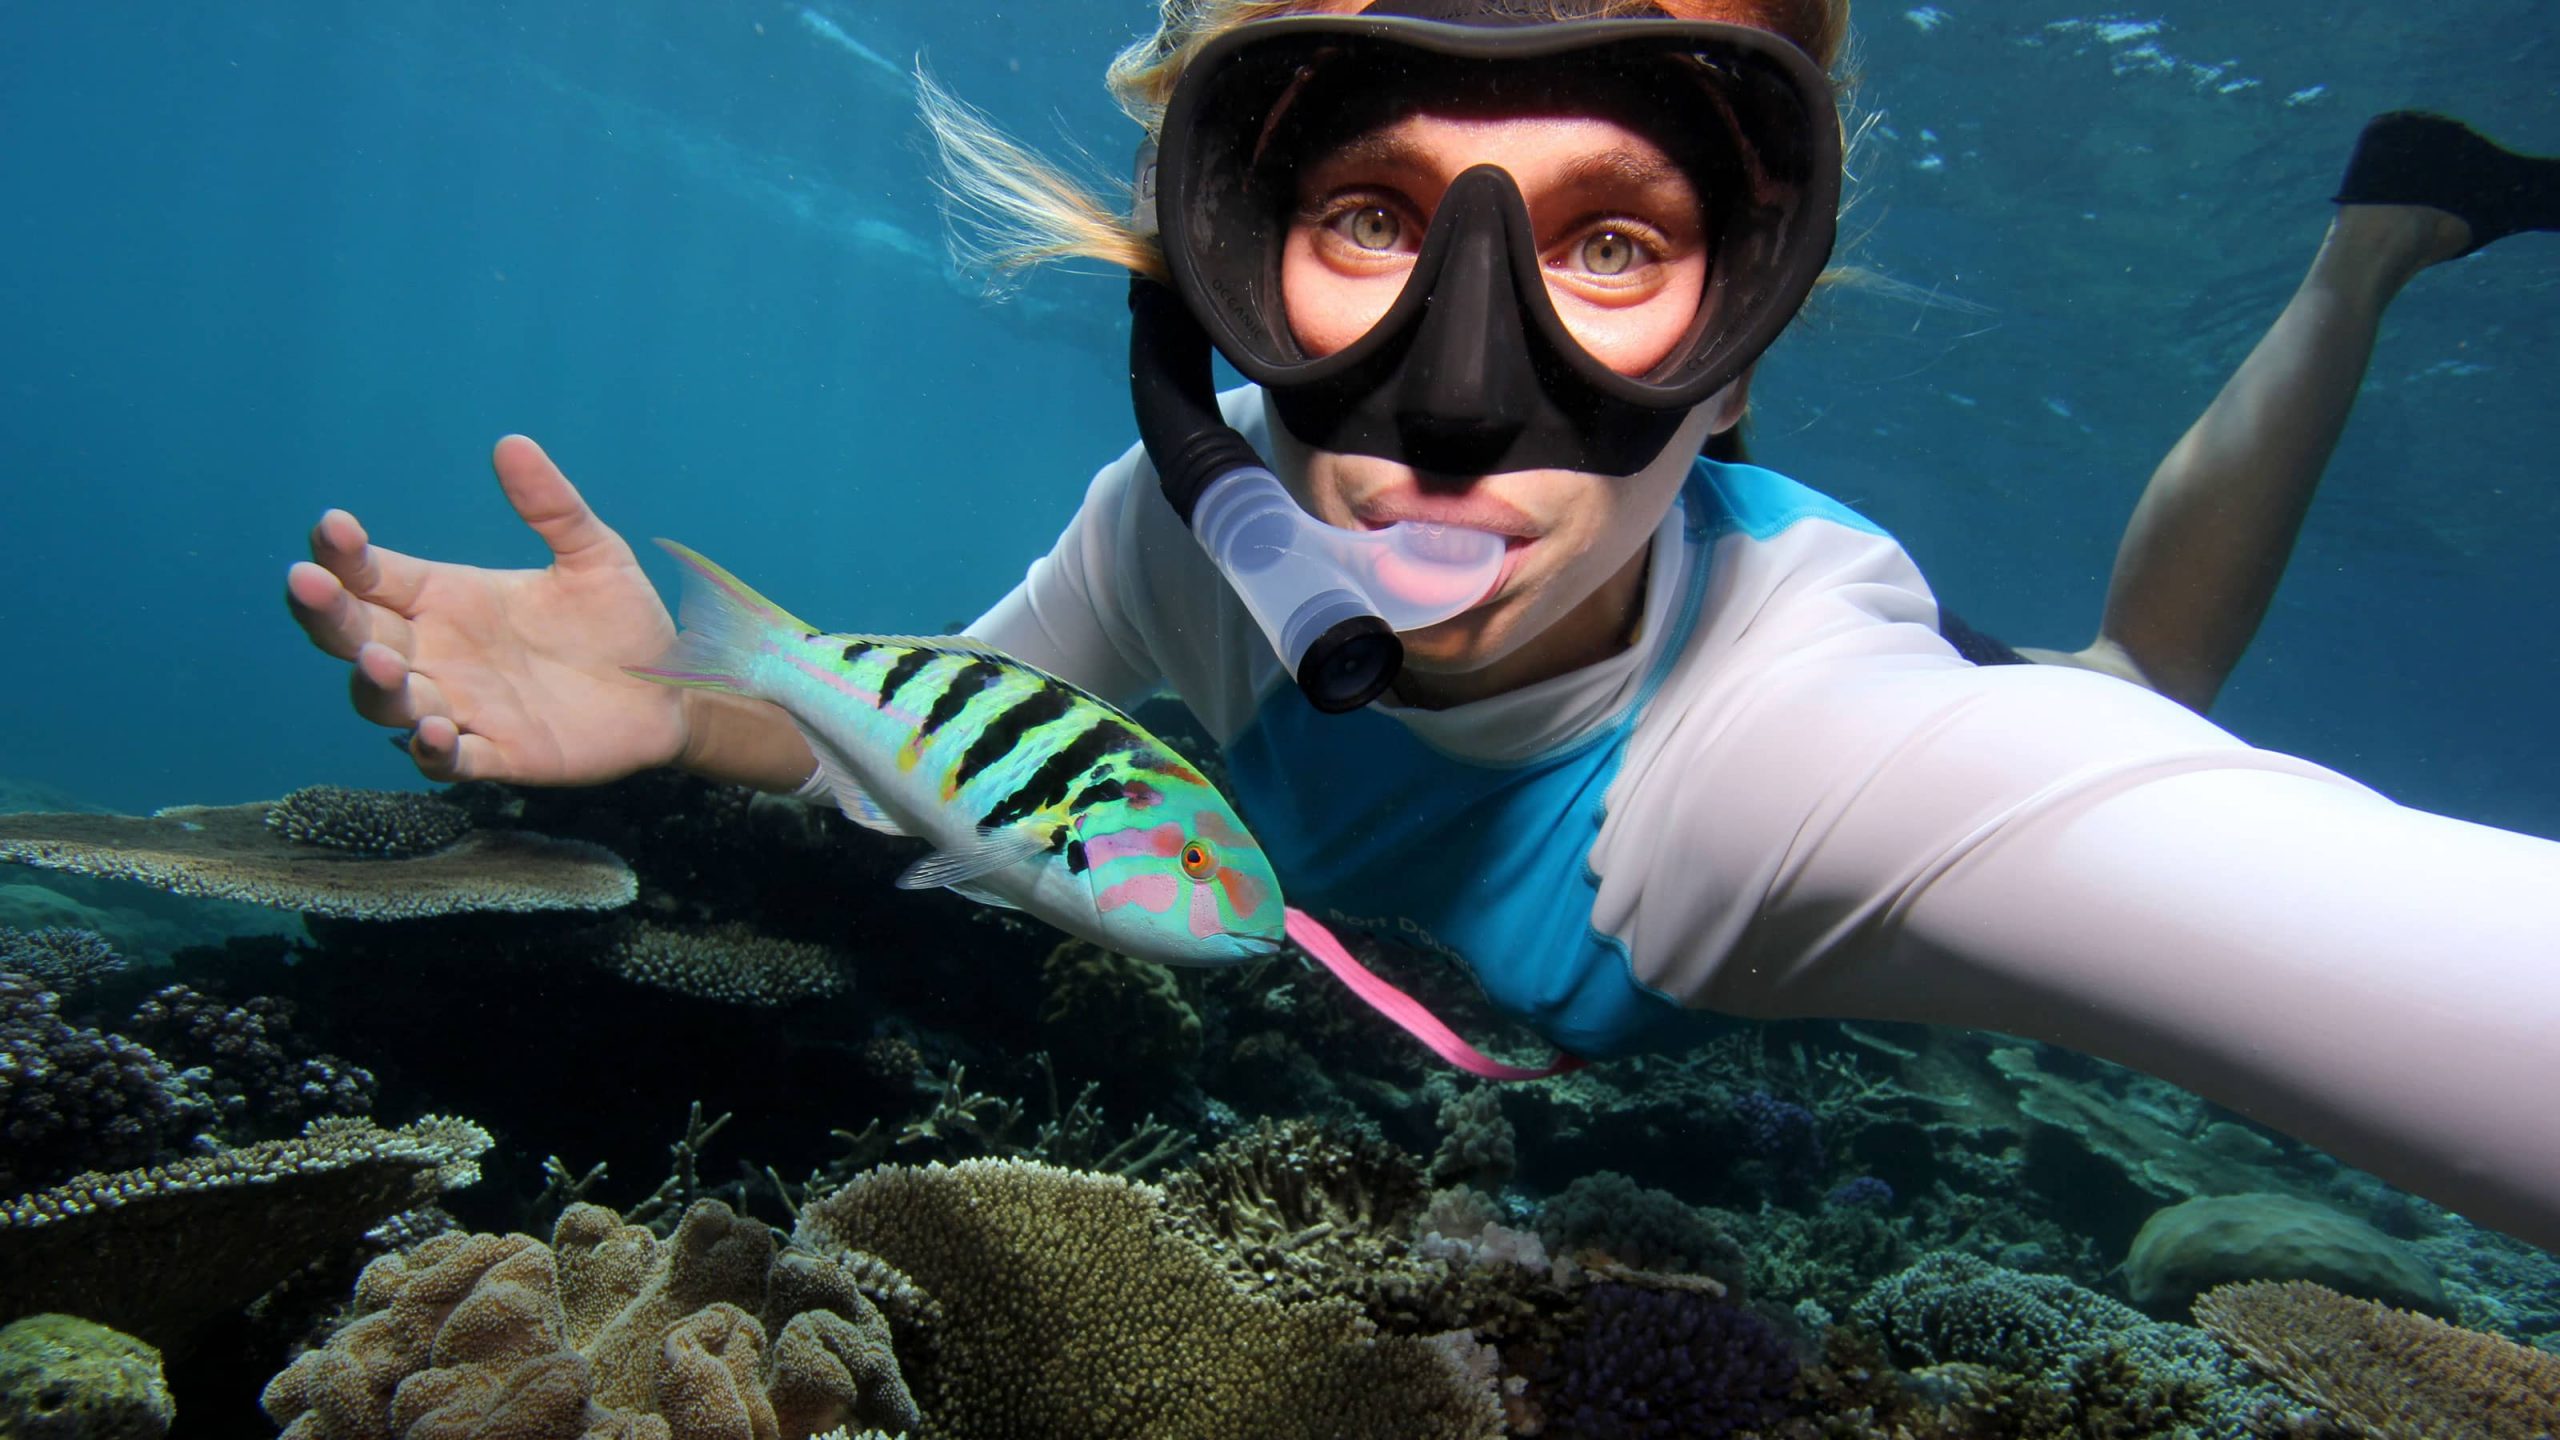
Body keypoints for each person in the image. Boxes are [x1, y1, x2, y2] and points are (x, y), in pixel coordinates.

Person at [285, 0, 2560, 1253]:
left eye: (1610, 242)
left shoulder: (1786, 787)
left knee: (2129, 689)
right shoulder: (1180, 527)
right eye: (1367, 211)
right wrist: (686, 711)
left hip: (1874, 653)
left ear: (1743, 334)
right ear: (1213, 266)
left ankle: (2360, 250)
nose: (1455, 405)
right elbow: (944, 724)